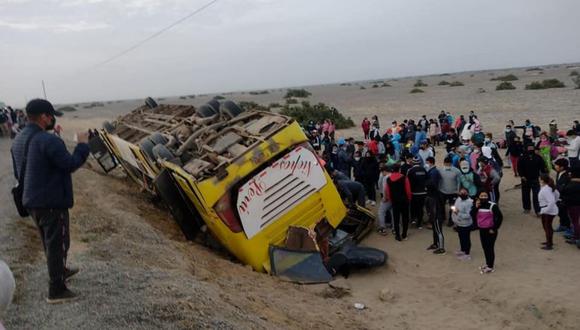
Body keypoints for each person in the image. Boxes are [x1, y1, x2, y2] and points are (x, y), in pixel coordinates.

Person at [10, 99, 89, 303]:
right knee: (59, 243)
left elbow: (19, 171)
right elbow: (70, 164)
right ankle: (57, 289)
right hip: (51, 202)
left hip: (31, 200)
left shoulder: (19, 138)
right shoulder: (48, 140)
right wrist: (82, 145)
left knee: (50, 242)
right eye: (51, 116)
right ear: (45, 117)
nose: (53, 119)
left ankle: (60, 270)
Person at [471, 191, 503, 274]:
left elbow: (500, 217)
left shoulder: (492, 205)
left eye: (485, 195)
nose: (484, 197)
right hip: (482, 229)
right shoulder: (478, 205)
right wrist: (476, 207)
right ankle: (488, 263)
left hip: (490, 230)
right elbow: (472, 214)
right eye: (482, 196)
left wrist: (494, 228)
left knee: (489, 248)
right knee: (484, 247)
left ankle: (490, 267)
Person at [518, 145, 547, 215]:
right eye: (529, 147)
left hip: (535, 179)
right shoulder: (522, 157)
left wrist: (544, 176)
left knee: (536, 195)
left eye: (532, 148)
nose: (530, 149)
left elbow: (543, 167)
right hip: (525, 179)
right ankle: (527, 208)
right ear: (526, 148)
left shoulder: (538, 157)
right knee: (525, 194)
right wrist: (521, 175)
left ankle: (538, 210)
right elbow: (519, 167)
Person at [386, 163, 412, 241]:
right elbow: (408, 190)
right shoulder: (404, 178)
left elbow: (388, 191)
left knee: (396, 218)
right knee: (405, 217)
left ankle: (397, 235)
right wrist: (409, 198)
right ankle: (404, 234)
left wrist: (391, 199)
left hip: (395, 201)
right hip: (404, 200)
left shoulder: (389, 179)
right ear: (399, 169)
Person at [425, 157, 445, 254]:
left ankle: (441, 248)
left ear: (430, 162)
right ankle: (435, 244)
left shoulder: (433, 172)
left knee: (437, 227)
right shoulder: (433, 172)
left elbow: (432, 184)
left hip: (435, 203)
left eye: (427, 163)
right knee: (434, 226)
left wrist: (425, 183)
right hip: (433, 201)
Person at [538, 174, 559, 250]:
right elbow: (557, 195)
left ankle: (549, 244)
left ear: (542, 180)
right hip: (548, 209)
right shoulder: (547, 187)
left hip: (547, 210)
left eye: (539, 179)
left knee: (547, 227)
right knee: (547, 226)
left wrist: (544, 210)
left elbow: (552, 201)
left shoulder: (546, 189)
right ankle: (549, 241)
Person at [438, 156, 461, 226]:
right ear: (444, 163)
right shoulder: (440, 170)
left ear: (451, 163)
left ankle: (451, 220)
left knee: (453, 206)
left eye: (449, 164)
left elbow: (459, 181)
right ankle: (442, 218)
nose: (448, 165)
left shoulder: (457, 171)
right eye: (446, 164)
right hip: (442, 191)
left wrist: (458, 190)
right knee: (441, 205)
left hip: (453, 192)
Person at [452, 188, 474, 260]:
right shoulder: (458, 199)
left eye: (464, 193)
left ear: (467, 193)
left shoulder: (470, 202)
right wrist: (455, 220)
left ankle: (467, 254)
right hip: (459, 223)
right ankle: (462, 250)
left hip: (466, 224)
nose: (462, 194)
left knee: (466, 239)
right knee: (461, 237)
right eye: (460, 193)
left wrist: (458, 213)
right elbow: (455, 208)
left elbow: (468, 215)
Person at [561, 166, 580, 248]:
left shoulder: (570, 185)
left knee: (575, 222)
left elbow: (564, 195)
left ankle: (577, 238)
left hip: (573, 206)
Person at [407, 157, 428, 228]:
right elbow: (426, 180)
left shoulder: (410, 170)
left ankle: (413, 220)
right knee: (420, 208)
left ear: (412, 163)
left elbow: (408, 182)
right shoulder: (424, 170)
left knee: (413, 207)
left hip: (414, 193)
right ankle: (419, 223)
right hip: (423, 193)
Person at [554, 158, 571, 232]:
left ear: (562, 167)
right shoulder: (559, 172)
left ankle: (567, 226)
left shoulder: (567, 175)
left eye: (557, 166)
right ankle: (562, 225)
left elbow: (563, 187)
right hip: (558, 197)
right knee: (560, 212)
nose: (555, 167)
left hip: (564, 198)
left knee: (565, 213)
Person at [377, 166, 392, 235]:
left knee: (381, 212)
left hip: (388, 198)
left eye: (382, 172)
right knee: (392, 212)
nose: (382, 174)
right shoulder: (393, 176)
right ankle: (394, 227)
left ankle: (382, 228)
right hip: (395, 198)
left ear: (384, 171)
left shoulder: (385, 178)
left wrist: (384, 197)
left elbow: (385, 189)